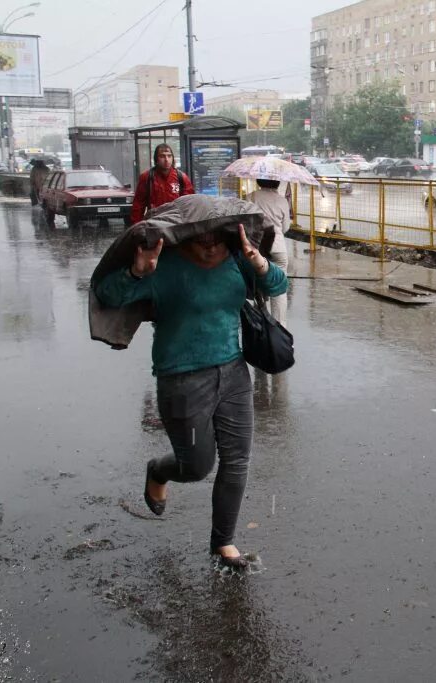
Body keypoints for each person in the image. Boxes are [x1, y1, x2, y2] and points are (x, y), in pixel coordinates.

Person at [94, 224, 287, 570]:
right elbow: (107, 295)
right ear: (185, 235)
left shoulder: (236, 260)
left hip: (233, 373)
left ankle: (223, 542)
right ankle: (158, 471)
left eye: (216, 235)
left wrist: (256, 259)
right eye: (202, 236)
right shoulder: (163, 264)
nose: (210, 242)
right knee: (196, 466)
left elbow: (277, 285)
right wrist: (138, 272)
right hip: (181, 378)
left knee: (237, 460)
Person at [245, 179, 291, 322]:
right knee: (279, 287)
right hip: (278, 247)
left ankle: (262, 323)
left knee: (257, 286)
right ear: (277, 183)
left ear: (259, 181)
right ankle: (279, 327)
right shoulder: (282, 201)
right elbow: (286, 228)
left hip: (257, 248)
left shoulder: (250, 197)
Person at [130, 144, 194, 224]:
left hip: (176, 224)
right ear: (156, 159)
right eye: (162, 156)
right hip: (154, 223)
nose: (166, 159)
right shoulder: (147, 177)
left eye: (169, 156)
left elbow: (189, 204)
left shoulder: (181, 177)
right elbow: (138, 206)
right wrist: (137, 227)